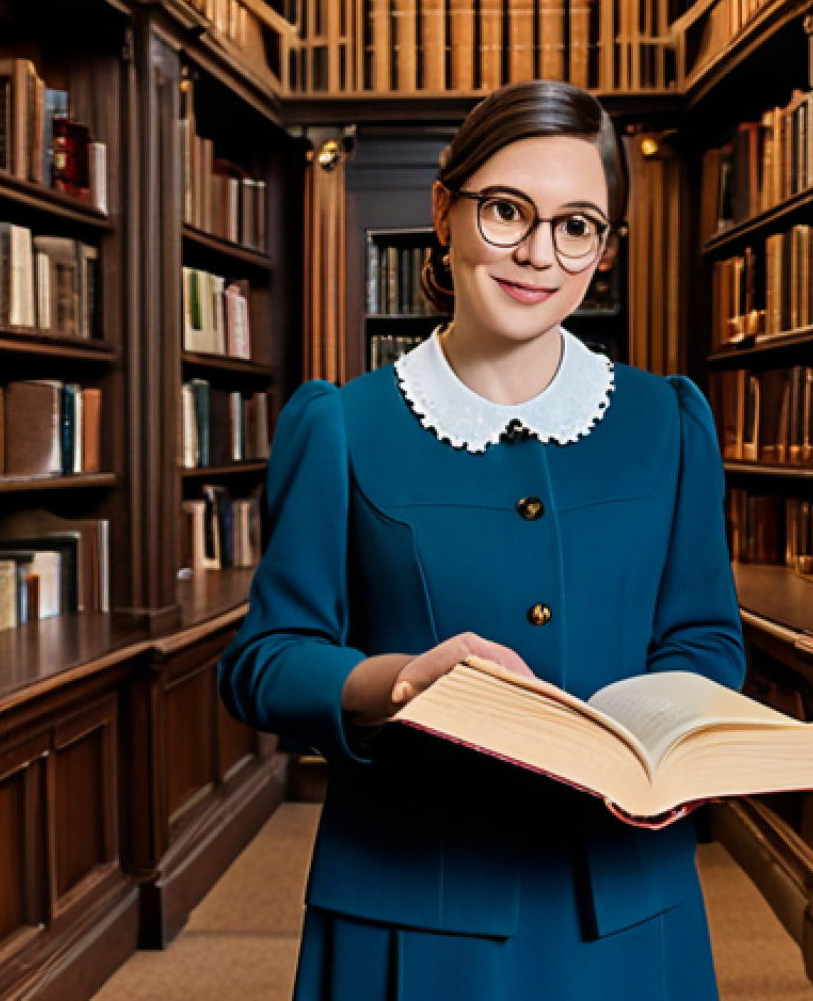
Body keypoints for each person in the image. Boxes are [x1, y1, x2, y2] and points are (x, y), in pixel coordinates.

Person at [218, 79, 746, 1000]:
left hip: (625, 901)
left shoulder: (668, 422)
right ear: (444, 212)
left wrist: (664, 735)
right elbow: (264, 661)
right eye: (507, 210)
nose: (539, 253)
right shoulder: (341, 424)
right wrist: (397, 681)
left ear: (605, 249)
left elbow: (705, 637)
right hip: (409, 906)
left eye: (577, 225)